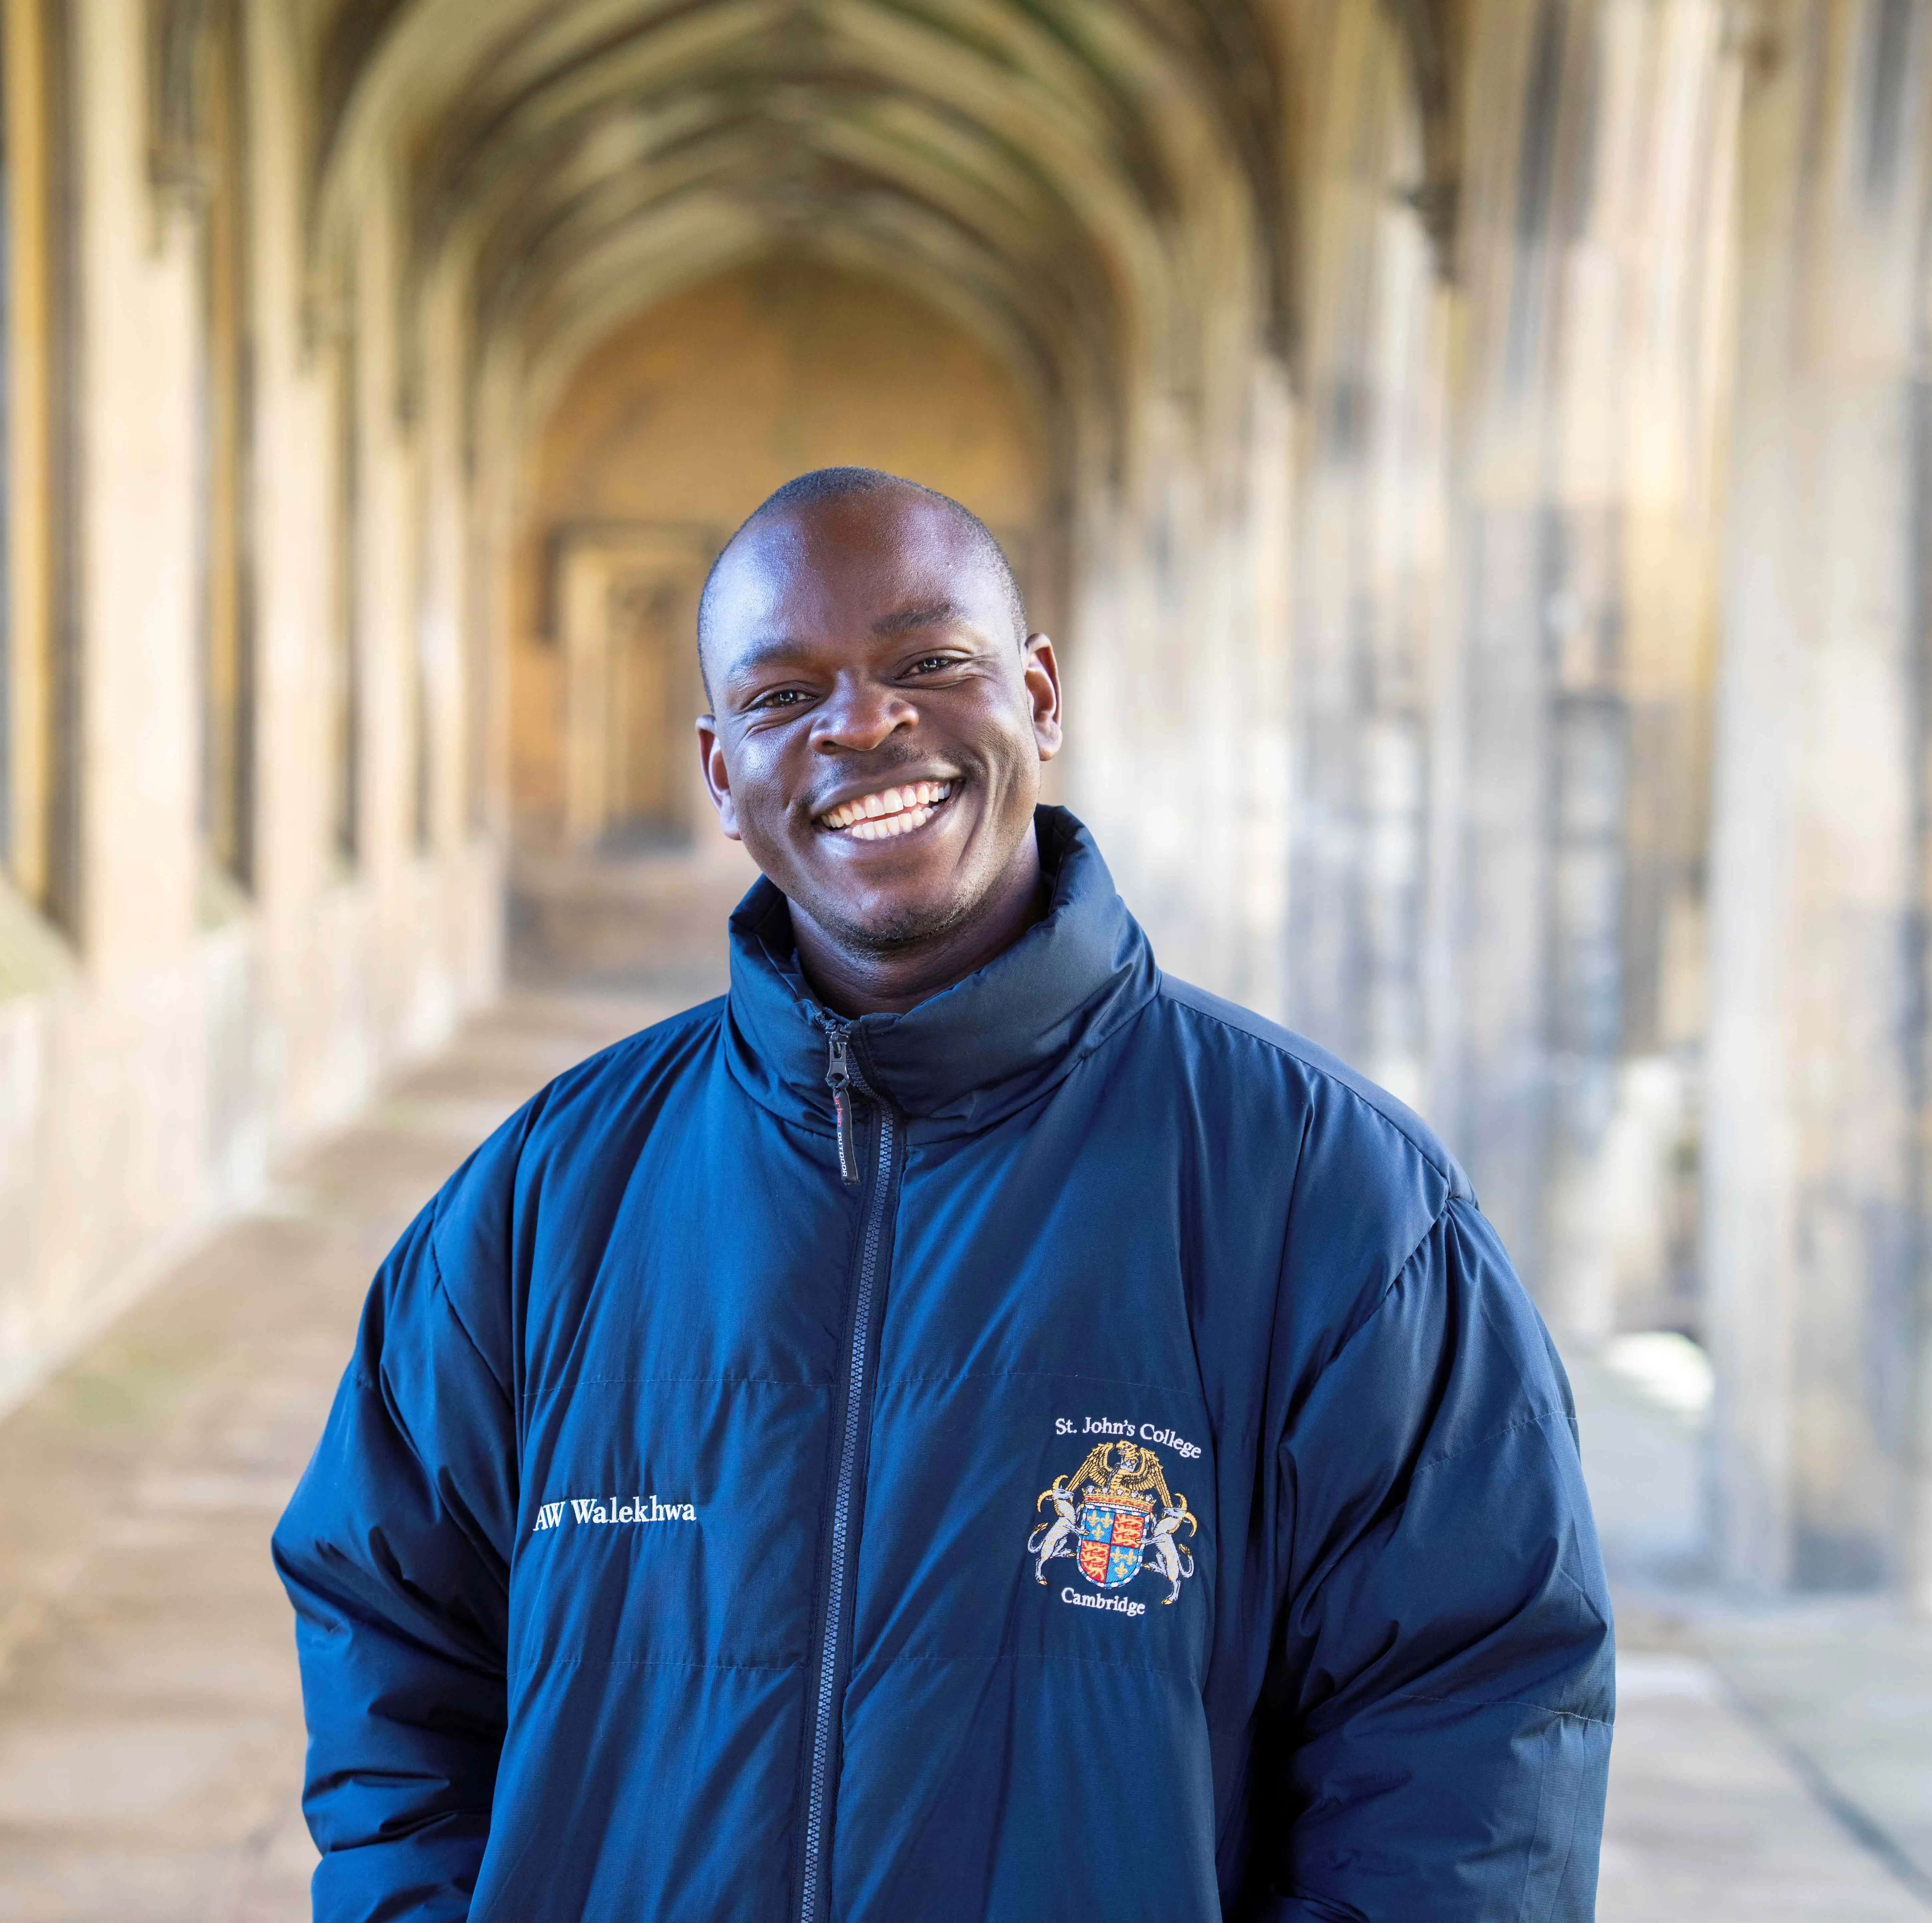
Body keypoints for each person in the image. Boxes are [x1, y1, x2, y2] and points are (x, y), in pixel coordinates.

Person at [274, 467, 1613, 1921]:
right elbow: (389, 1646)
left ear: (1039, 696)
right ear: (723, 776)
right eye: (786, 696)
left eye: (929, 663)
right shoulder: (547, 1200)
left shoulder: (1329, 1197)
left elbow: (1469, 1738)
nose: (864, 723)